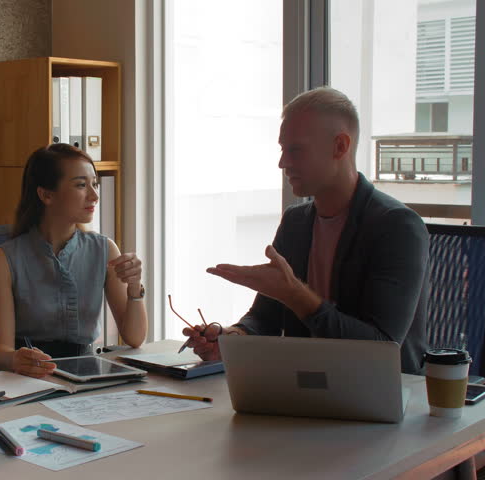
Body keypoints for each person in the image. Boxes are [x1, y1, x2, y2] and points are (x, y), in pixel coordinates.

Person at [183, 87, 429, 374]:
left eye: (295, 150)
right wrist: (231, 339)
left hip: (384, 398)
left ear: (340, 147)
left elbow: (380, 348)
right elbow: (266, 317)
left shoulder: (397, 226)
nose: (282, 163)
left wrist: (295, 295)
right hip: (309, 387)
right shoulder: (296, 221)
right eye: (282, 149)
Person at [0, 144, 148, 378]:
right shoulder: (4, 259)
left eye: (95, 183)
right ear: (46, 195)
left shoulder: (104, 249)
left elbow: (134, 338)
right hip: (30, 377)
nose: (94, 195)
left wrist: (134, 286)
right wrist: (16, 359)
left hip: (87, 373)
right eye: (81, 185)